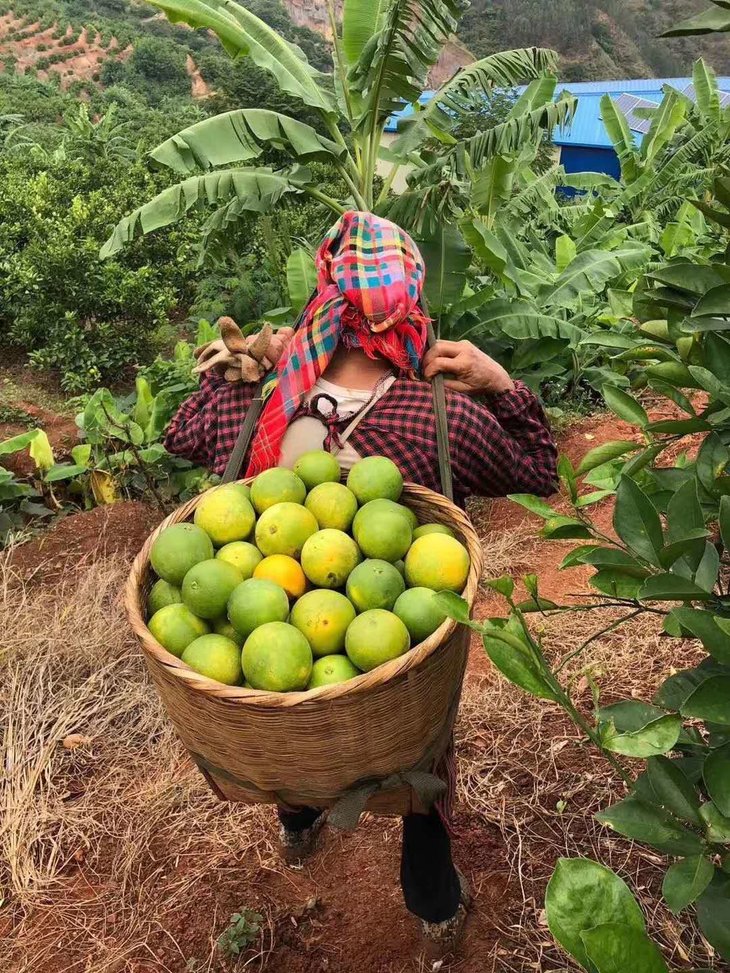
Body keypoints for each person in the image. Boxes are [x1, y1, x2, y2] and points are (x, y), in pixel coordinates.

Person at [164, 211, 558, 959]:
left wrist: (250, 362)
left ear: (323, 302)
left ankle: (299, 820)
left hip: (274, 656)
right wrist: (500, 382)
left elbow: (179, 434)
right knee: (421, 766)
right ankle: (434, 906)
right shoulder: (442, 416)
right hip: (394, 662)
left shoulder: (250, 403)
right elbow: (541, 469)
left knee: (278, 679)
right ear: (410, 311)